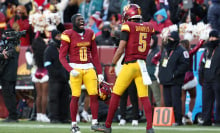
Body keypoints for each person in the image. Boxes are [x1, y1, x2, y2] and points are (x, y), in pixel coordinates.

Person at [91, 4, 155, 133]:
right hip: (142, 65)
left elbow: (120, 49)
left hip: (130, 65)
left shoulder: (128, 26)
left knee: (116, 94)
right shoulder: (149, 27)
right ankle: (149, 128)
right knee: (144, 97)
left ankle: (107, 125)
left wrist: (113, 64)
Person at [59, 13, 104, 133]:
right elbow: (62, 57)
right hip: (75, 68)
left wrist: (99, 72)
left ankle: (95, 122)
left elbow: (94, 54)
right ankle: (74, 124)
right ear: (73, 22)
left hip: (89, 67)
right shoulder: (68, 34)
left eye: (83, 19)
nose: (82, 21)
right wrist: (70, 70)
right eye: (79, 20)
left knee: (94, 94)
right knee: (75, 96)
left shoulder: (90, 33)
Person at [158, 31, 190, 126]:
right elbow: (162, 62)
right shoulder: (166, 49)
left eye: (171, 39)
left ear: (175, 39)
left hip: (175, 80)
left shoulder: (182, 51)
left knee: (176, 100)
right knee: (167, 100)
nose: (169, 41)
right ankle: (169, 119)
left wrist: (174, 74)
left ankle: (178, 120)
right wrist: (161, 74)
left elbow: (184, 65)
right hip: (166, 79)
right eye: (168, 39)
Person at [43, 30, 71, 123]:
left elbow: (68, 62)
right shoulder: (49, 50)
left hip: (64, 79)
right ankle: (54, 117)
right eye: (58, 37)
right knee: (54, 99)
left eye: (60, 36)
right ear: (54, 37)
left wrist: (67, 74)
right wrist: (54, 73)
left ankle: (64, 117)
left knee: (65, 99)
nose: (60, 38)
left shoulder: (64, 48)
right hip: (55, 79)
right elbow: (47, 64)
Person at [180, 39, 205, 125]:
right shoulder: (188, 53)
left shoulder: (178, 53)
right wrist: (201, 41)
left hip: (181, 77)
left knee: (182, 99)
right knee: (193, 96)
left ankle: (183, 117)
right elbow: (196, 49)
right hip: (189, 77)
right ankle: (189, 114)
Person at [199, 30, 220, 126]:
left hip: (217, 79)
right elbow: (202, 63)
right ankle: (206, 119)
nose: (211, 39)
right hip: (207, 79)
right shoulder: (207, 49)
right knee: (206, 100)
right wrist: (201, 76)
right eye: (210, 36)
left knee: (219, 101)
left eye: (214, 37)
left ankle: (218, 120)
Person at [0, 29, 19, 122]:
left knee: (8, 95)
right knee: (11, 95)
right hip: (11, 74)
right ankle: (13, 115)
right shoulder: (15, 45)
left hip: (7, 75)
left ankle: (12, 116)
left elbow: (6, 55)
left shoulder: (10, 46)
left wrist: (2, 55)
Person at [146, 35, 161, 107]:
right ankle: (146, 116)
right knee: (146, 99)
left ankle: (160, 117)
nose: (150, 41)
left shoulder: (158, 50)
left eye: (151, 40)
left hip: (153, 78)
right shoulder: (146, 49)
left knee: (157, 98)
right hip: (145, 77)